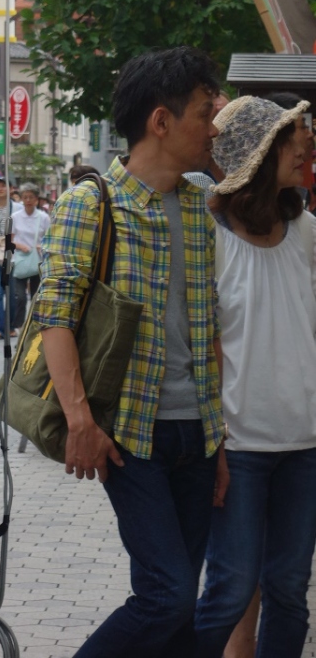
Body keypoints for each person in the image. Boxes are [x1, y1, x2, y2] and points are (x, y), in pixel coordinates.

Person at [34, 46, 225, 657]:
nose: (214, 128)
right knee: (167, 596)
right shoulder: (91, 202)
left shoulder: (199, 206)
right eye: (205, 113)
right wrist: (80, 421)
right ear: (161, 121)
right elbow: (54, 315)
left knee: (179, 611)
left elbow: (208, 328)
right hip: (131, 434)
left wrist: (219, 439)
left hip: (198, 433)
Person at [192, 96, 316, 658]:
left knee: (289, 591)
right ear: (260, 153)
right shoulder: (209, 235)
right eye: (292, 137)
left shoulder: (306, 231)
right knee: (229, 590)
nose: (305, 145)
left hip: (305, 445)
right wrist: (211, 440)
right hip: (237, 447)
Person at [0, 174, 23, 336]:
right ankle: (0, 327)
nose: (0, 189)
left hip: (12, 253)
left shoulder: (18, 208)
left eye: (3, 186)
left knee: (11, 293)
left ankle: (9, 326)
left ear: (11, 189)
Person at [11, 182, 50, 311]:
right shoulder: (15, 217)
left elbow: (49, 239)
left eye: (31, 197)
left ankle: (33, 320)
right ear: (21, 199)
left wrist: (41, 246)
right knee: (20, 297)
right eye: (25, 197)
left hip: (37, 260)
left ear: (36, 199)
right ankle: (18, 321)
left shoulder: (44, 217)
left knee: (36, 297)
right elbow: (8, 241)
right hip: (20, 260)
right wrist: (19, 246)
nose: (28, 200)